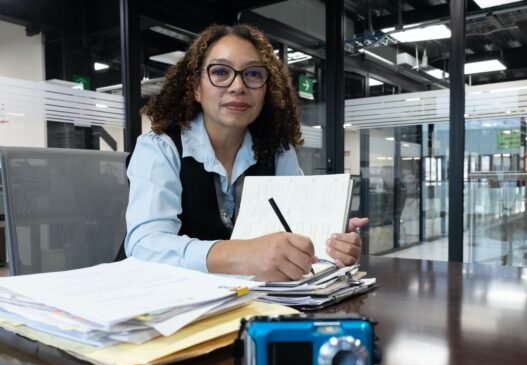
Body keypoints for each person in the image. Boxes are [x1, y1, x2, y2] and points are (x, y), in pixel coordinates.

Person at [123, 24, 368, 282]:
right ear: (195, 87)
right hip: (156, 300)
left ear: (266, 89)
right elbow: (144, 245)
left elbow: (295, 230)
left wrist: (330, 242)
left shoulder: (278, 152)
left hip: (240, 300)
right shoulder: (160, 148)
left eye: (252, 74)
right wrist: (242, 254)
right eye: (220, 71)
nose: (238, 86)